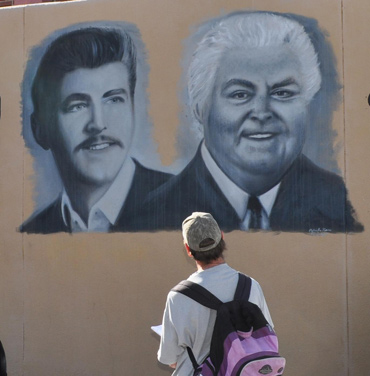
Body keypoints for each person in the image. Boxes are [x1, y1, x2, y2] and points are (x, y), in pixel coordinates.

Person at [142, 12, 363, 233]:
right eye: (240, 94)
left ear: (306, 104)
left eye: (282, 93)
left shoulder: (345, 206)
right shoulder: (149, 217)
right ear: (200, 109)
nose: (262, 112)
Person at [19, 27, 172, 234]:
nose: (98, 124)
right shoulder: (35, 231)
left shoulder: (186, 208)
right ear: (40, 130)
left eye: (113, 100)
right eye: (77, 106)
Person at [157, 212, 273, 375]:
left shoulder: (178, 297)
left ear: (188, 249)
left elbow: (169, 358)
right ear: (222, 238)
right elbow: (266, 335)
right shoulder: (251, 286)